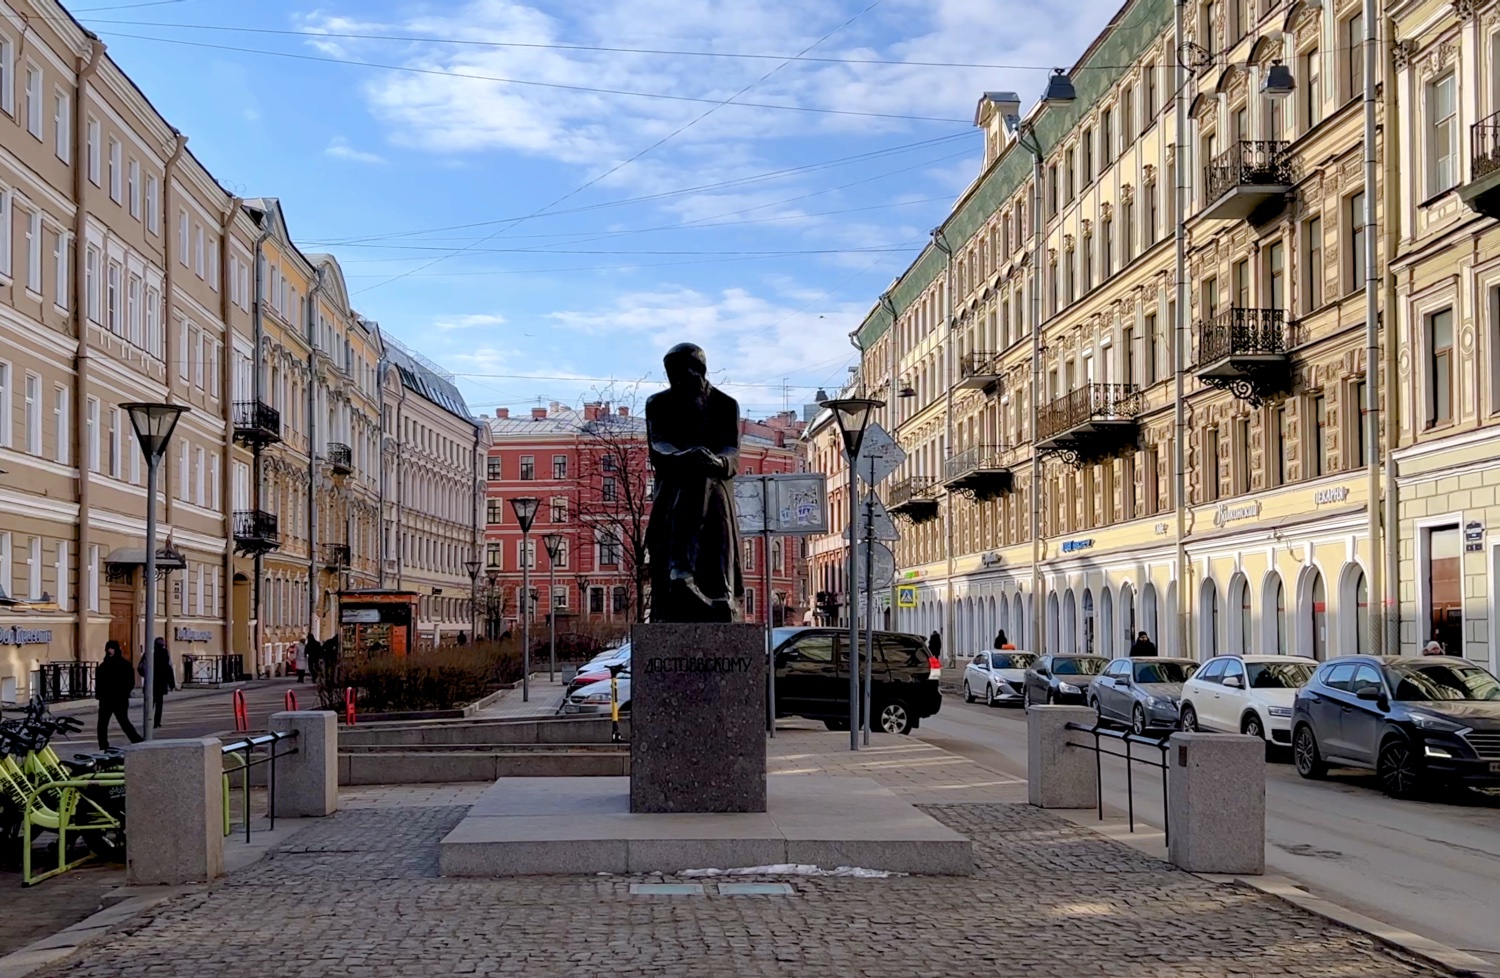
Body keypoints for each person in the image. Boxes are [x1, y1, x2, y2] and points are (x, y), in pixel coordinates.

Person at [645, 342, 744, 622]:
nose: (675, 381)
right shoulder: (659, 403)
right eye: (671, 375)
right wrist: (686, 456)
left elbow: (731, 451)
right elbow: (658, 446)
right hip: (674, 486)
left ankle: (685, 574)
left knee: (711, 486)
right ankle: (701, 586)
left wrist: (717, 462)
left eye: (681, 374)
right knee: (698, 477)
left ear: (700, 371)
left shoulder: (725, 405)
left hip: (716, 484)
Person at [95, 640, 142, 750]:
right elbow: (99, 682)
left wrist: (124, 693)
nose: (109, 651)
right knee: (102, 724)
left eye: (112, 648)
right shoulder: (103, 666)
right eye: (108, 648)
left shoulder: (125, 665)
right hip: (106, 699)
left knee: (124, 721)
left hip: (119, 699)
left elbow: (130, 682)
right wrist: (99, 694)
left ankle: (136, 740)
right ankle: (103, 745)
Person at [138, 636, 176, 728]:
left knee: (149, 703)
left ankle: (148, 721)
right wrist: (172, 684)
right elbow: (169, 669)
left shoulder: (149, 653)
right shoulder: (164, 653)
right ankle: (156, 722)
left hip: (150, 683)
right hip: (161, 683)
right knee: (159, 704)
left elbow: (140, 667)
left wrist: (145, 675)